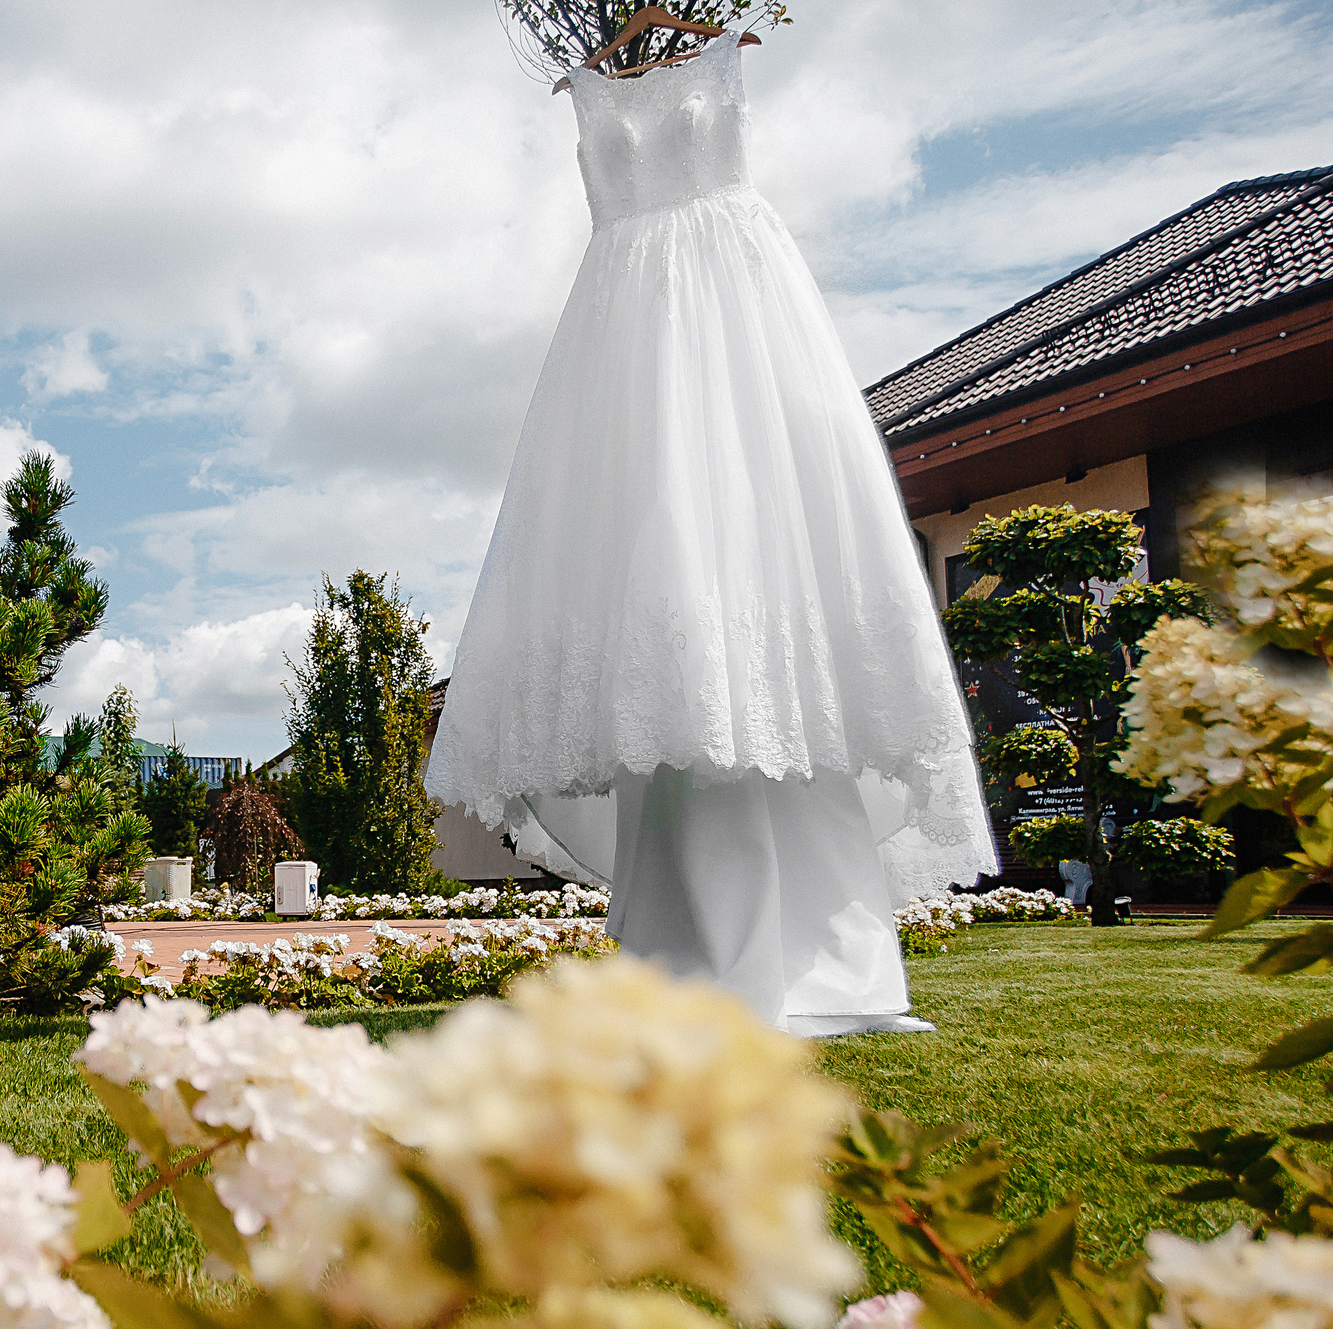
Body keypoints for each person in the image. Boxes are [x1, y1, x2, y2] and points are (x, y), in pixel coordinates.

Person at [426, 3, 994, 1036]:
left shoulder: (724, 60)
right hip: (622, 337)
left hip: (737, 312)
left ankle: (821, 965)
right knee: (656, 560)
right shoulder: (586, 92)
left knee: (745, 538)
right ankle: (690, 955)